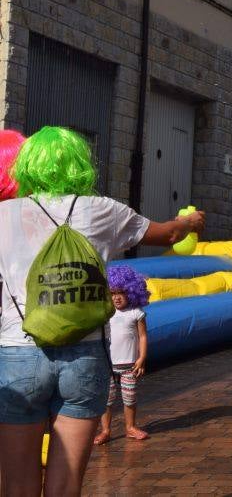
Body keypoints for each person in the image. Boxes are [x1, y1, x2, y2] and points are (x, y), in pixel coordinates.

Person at [0, 126, 205, 497]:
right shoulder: (102, 210)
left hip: (18, 352)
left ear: (25, 166)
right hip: (85, 355)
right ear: (81, 163)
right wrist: (189, 223)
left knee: (17, 484)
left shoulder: (4, 214)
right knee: (65, 485)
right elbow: (168, 235)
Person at [94, 265, 150, 445]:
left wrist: (141, 359)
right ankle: (106, 430)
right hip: (108, 365)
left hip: (129, 365)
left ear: (132, 292)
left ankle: (130, 427)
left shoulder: (136, 313)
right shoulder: (106, 314)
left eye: (121, 293)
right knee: (107, 399)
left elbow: (142, 336)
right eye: (112, 293)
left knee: (130, 397)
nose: (116, 297)